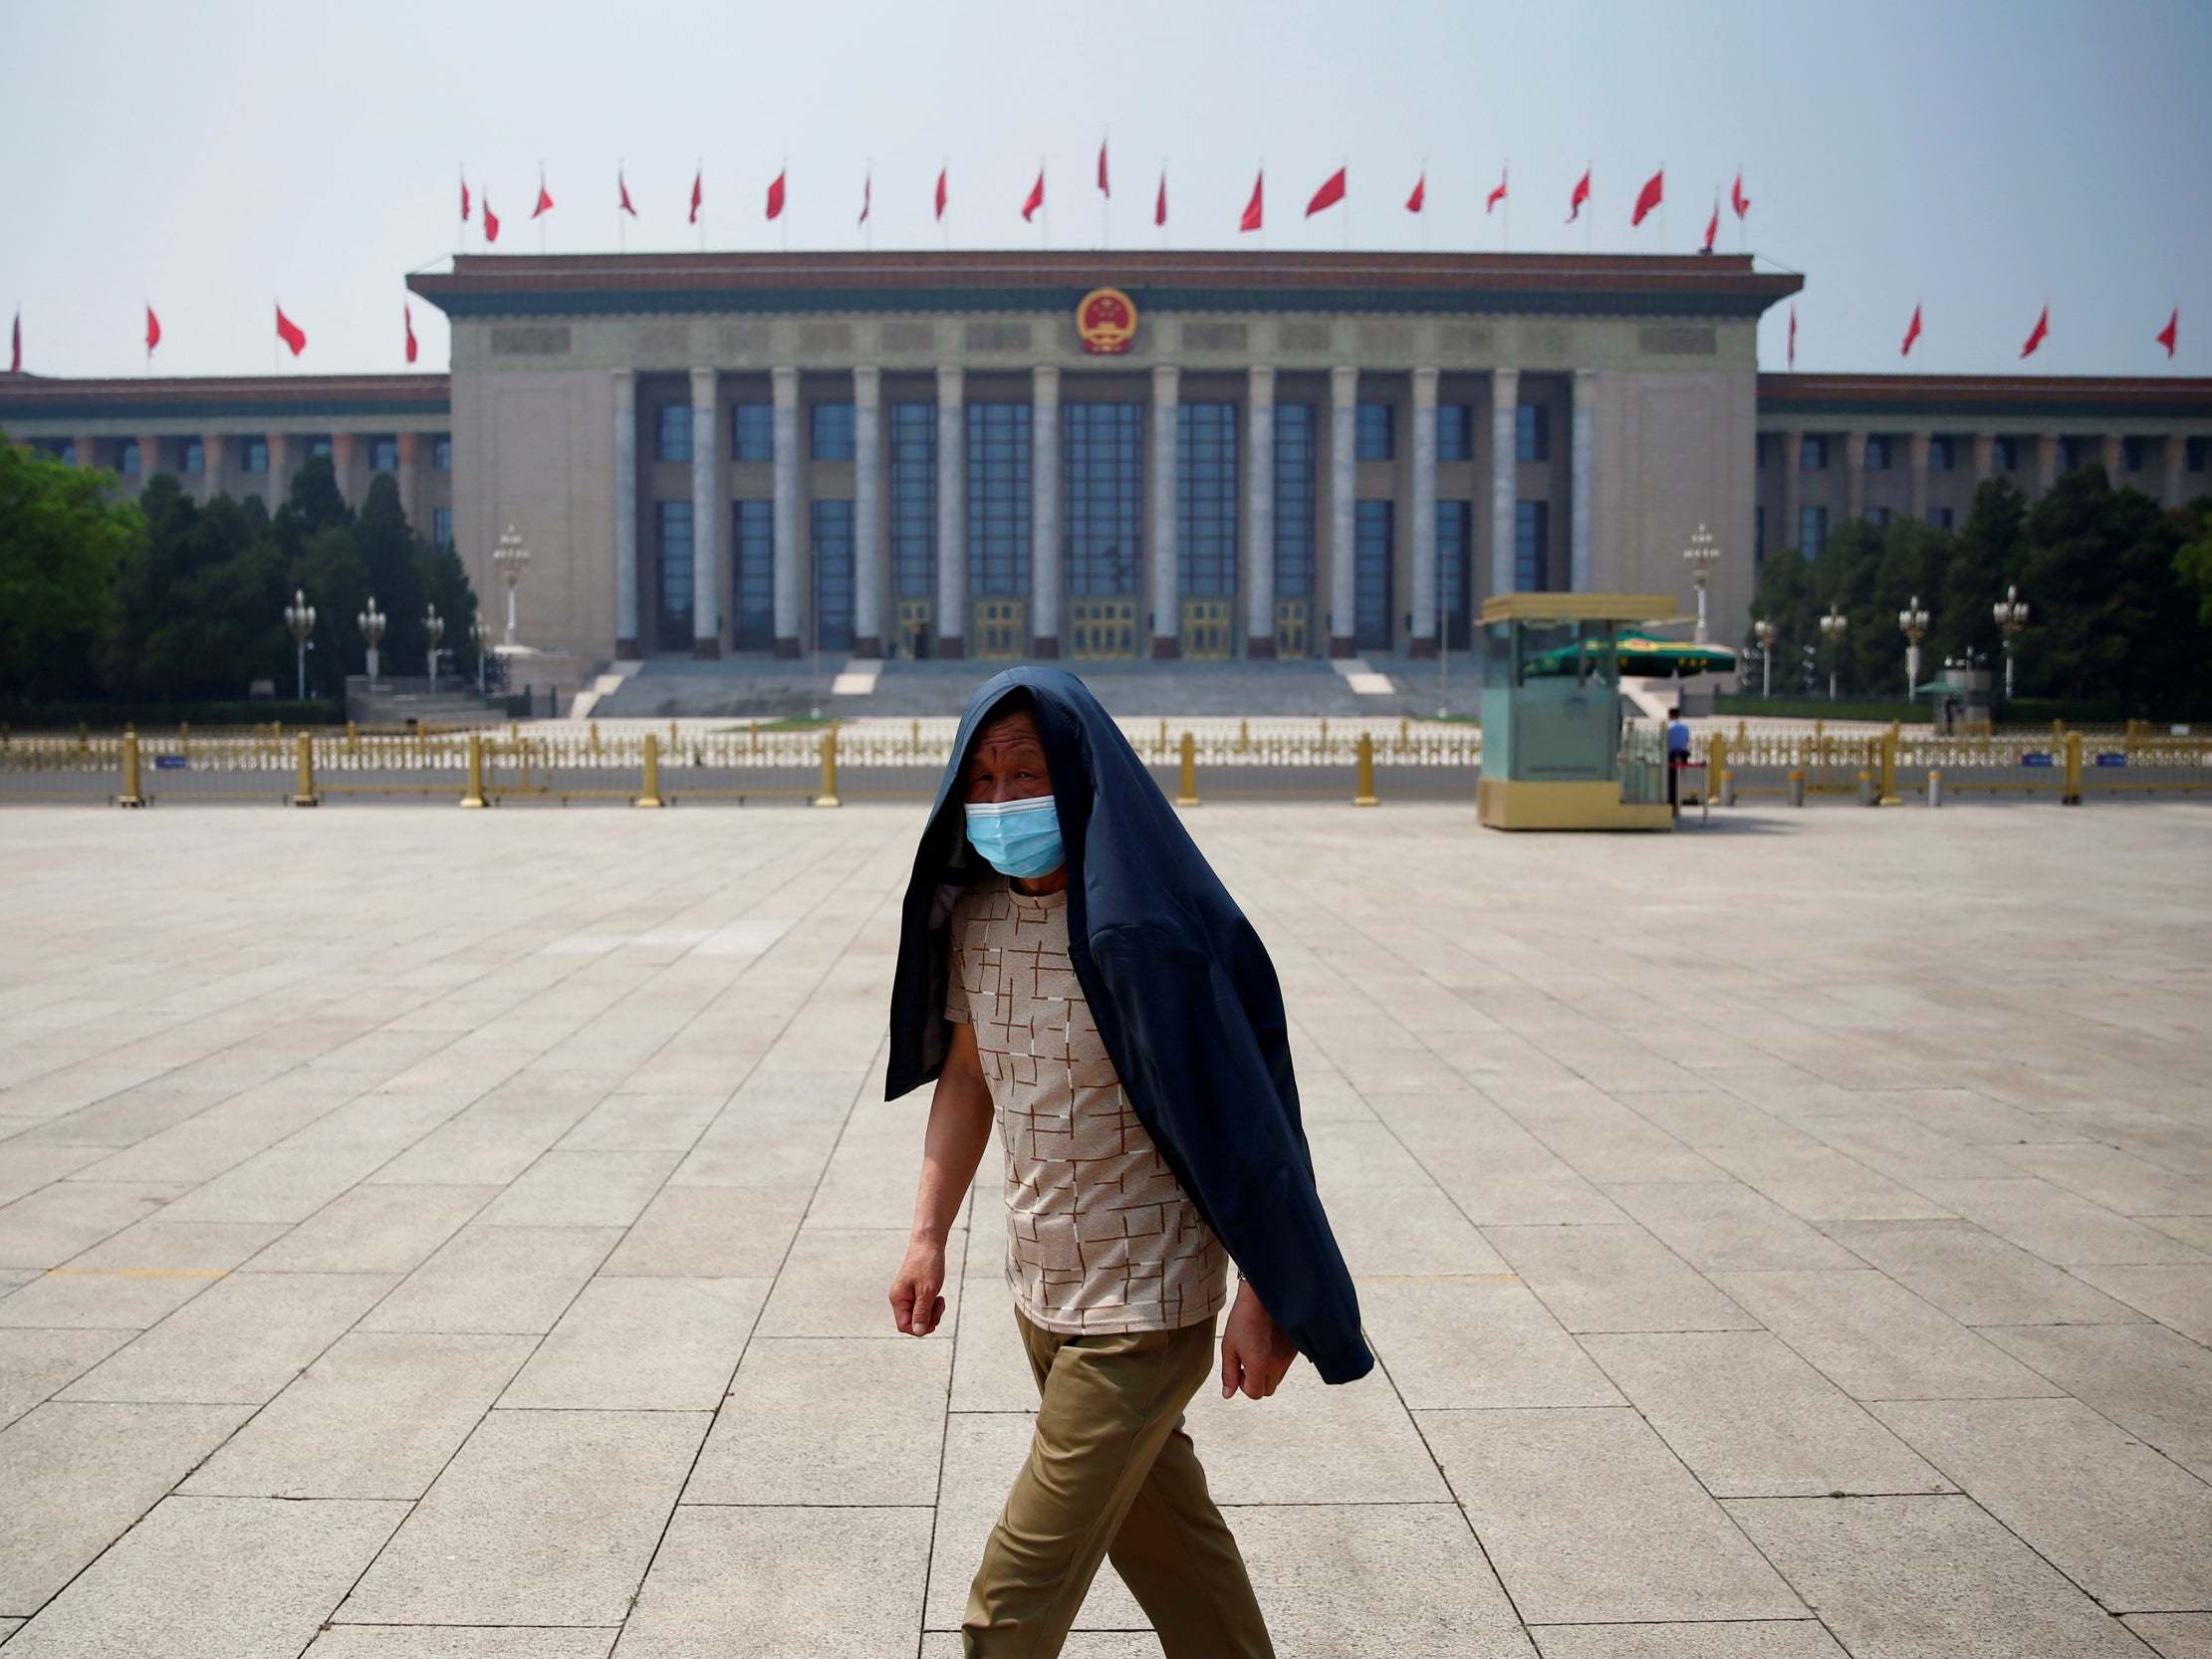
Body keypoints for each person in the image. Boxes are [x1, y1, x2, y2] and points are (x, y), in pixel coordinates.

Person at [885, 667, 1371, 1659]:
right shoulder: (977, 919)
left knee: (1009, 1601)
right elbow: (970, 1077)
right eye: (977, 779)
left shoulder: (1141, 936)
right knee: (1176, 1556)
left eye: (1025, 774)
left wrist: (1264, 1292)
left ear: (1076, 776)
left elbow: (1245, 1126)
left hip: (1140, 1315)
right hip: (1043, 1295)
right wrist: (926, 1233)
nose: (1000, 800)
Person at [1665, 704, 1693, 812]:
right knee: (1677, 781)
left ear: (1669, 715)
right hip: (1682, 756)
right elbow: (1686, 740)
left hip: (1671, 756)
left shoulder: (1668, 727)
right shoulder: (1684, 727)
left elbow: (1663, 742)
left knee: (1670, 782)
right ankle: (1677, 804)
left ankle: (1671, 804)